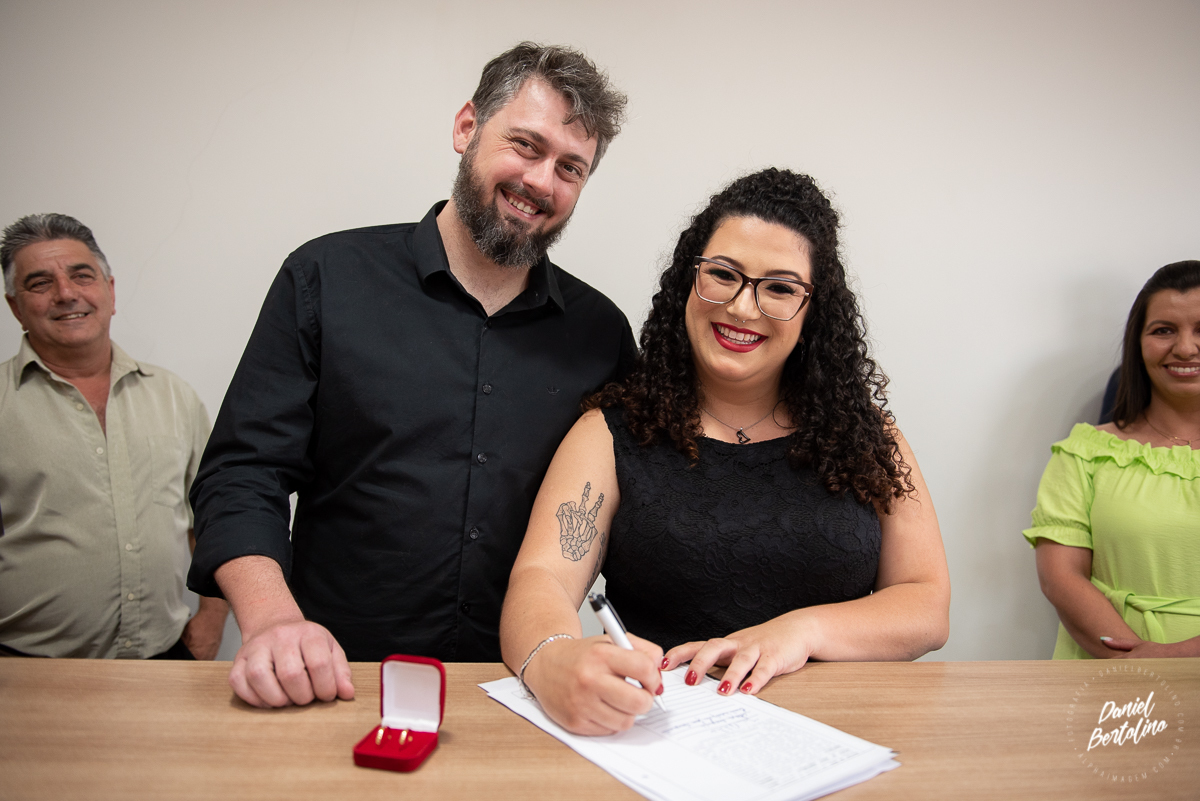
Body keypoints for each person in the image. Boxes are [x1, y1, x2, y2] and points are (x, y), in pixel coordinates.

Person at [187, 42, 634, 707]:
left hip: (521, 692)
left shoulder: (602, 334)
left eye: (571, 167)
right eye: (526, 146)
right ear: (466, 127)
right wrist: (274, 621)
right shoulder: (325, 279)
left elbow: (625, 510)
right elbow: (242, 473)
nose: (542, 182)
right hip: (337, 680)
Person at [499, 168, 951, 735]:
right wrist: (553, 659)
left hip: (841, 735)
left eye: (780, 288)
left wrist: (799, 632)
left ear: (813, 311)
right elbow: (541, 578)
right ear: (690, 280)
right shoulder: (609, 433)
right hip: (665, 738)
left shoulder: (868, 436)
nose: (742, 307)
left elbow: (926, 605)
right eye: (723, 274)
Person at [0, 213, 227, 659]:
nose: (66, 293)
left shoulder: (173, 396)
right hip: (23, 666)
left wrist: (212, 621)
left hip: (164, 655)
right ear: (15, 308)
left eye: (82, 276)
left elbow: (214, 517)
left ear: (110, 290)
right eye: (40, 283)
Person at [1025, 260, 1200, 660]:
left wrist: (1174, 660)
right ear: (1137, 344)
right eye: (1163, 330)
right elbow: (1061, 578)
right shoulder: (1083, 452)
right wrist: (1133, 664)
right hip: (1105, 676)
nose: (1185, 347)